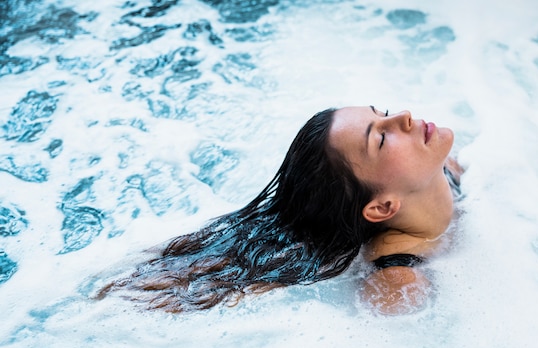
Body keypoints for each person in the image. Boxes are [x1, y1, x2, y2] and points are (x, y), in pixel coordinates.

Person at [96, 106, 464, 314]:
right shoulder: (397, 284)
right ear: (383, 207)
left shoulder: (446, 165)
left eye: (381, 113)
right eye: (382, 137)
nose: (405, 116)